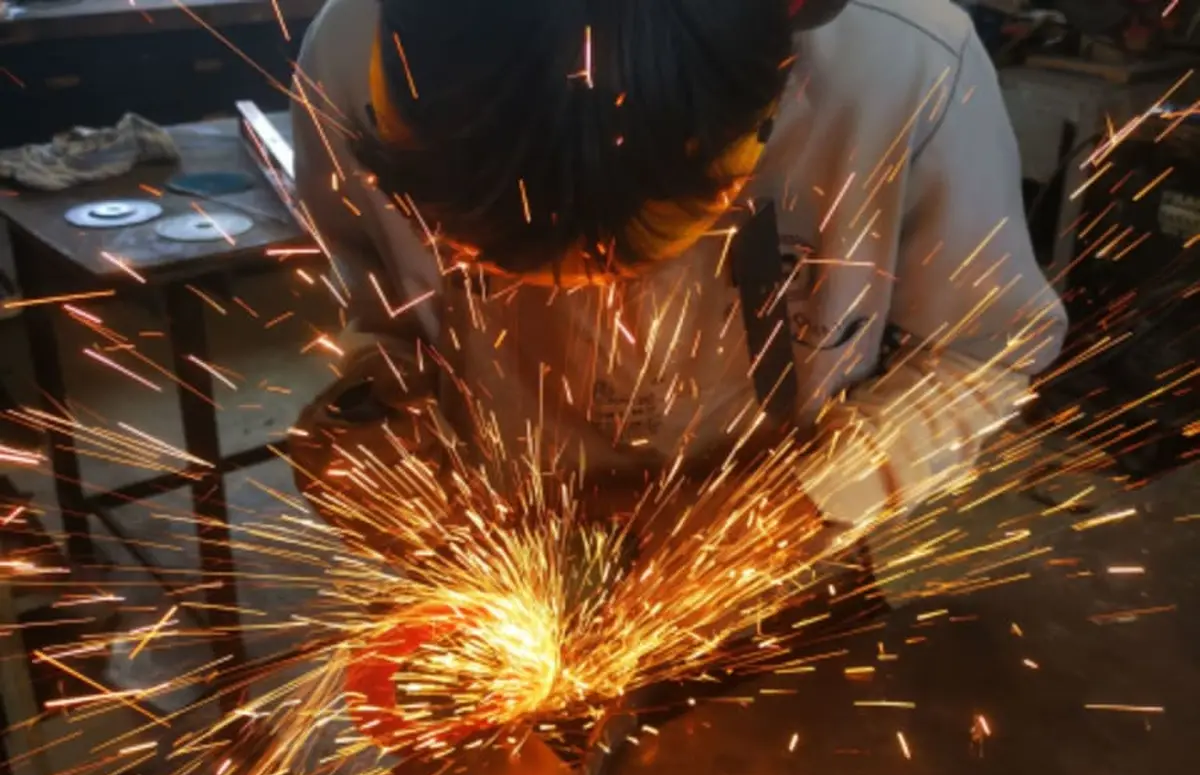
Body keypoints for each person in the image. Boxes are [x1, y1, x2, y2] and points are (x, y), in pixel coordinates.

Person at [288, 0, 1067, 603]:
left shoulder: (904, 63)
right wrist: (371, 420)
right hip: (503, 554)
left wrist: (795, 506)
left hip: (783, 563)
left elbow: (986, 350)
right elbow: (380, 318)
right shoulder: (348, 57)